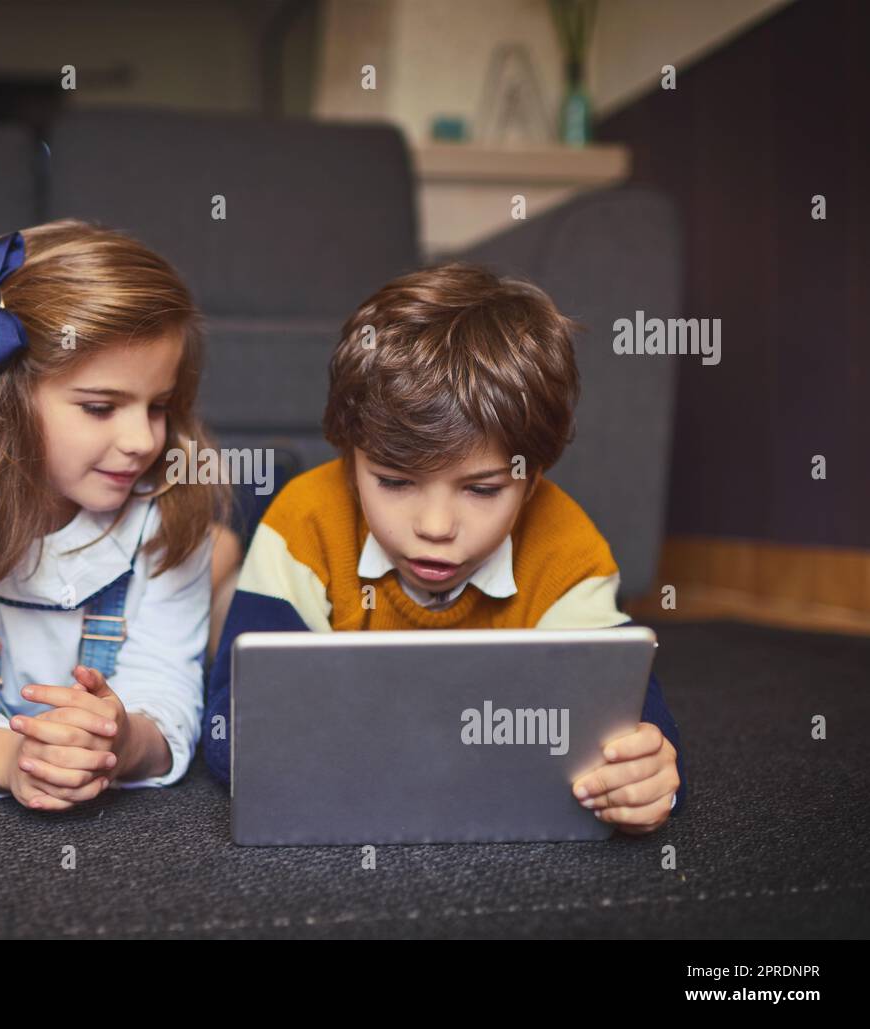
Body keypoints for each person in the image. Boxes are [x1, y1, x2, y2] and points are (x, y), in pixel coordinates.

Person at [204, 262, 687, 835]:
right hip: (274, 565)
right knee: (224, 606)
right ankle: (226, 548)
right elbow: (229, 724)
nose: (435, 526)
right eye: (395, 481)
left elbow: (627, 711)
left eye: (482, 489)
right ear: (349, 453)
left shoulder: (569, 546)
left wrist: (646, 769)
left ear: (532, 478)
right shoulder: (304, 521)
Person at [0, 219, 238, 810]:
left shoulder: (170, 502)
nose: (142, 440)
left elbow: (168, 693)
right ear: (2, 398)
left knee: (224, 555)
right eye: (99, 406)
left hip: (178, 531)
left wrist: (122, 740)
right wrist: (9, 761)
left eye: (159, 406)